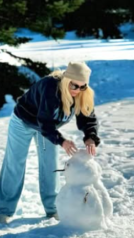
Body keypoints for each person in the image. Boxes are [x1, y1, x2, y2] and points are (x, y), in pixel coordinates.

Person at [0, 62, 100, 224]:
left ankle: (53, 209)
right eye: (75, 85)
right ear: (67, 80)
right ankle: (3, 210)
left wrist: (90, 136)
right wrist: (61, 141)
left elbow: (88, 117)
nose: (78, 90)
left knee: (50, 165)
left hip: (47, 128)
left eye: (83, 86)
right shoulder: (50, 87)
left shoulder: (82, 94)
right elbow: (45, 122)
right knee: (15, 164)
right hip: (23, 122)